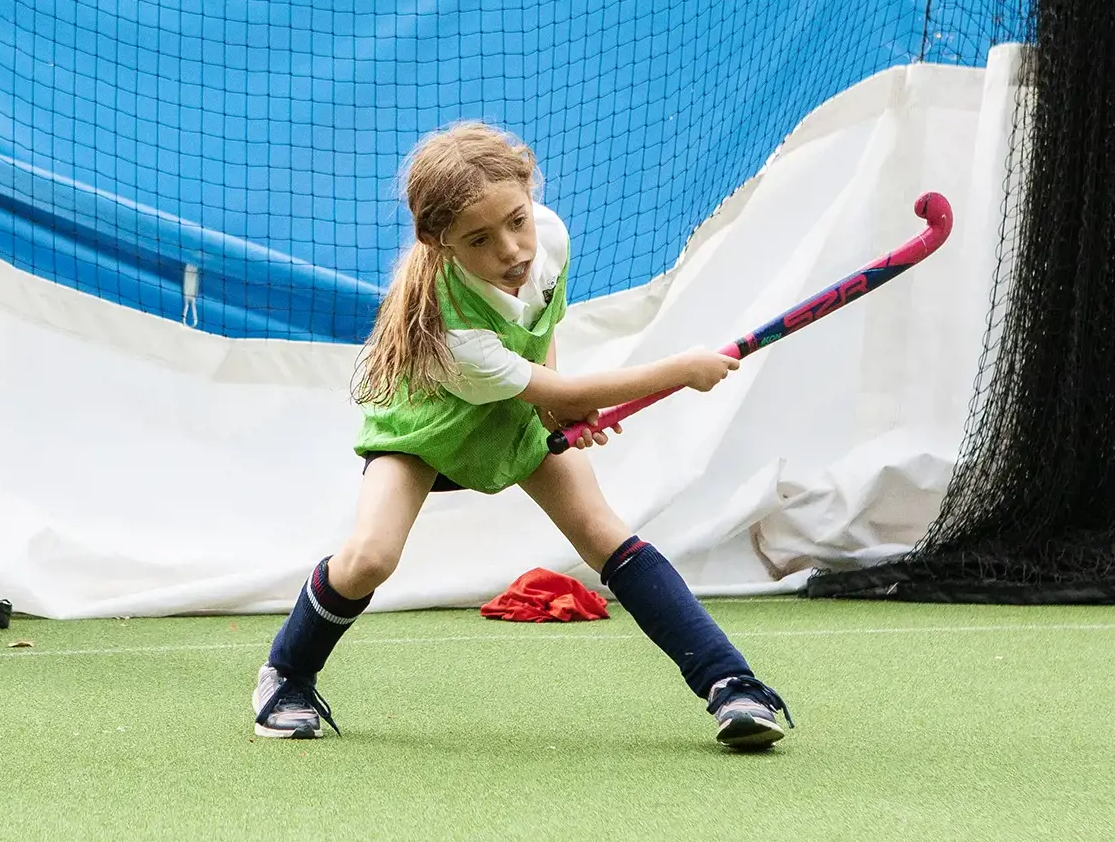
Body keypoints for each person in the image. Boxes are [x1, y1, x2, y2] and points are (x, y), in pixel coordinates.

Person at [252, 121, 792, 749]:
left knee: (603, 532)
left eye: (517, 220)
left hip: (513, 408)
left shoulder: (550, 238)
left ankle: (732, 685)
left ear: (530, 196)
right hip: (425, 426)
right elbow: (558, 393)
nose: (511, 250)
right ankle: (285, 674)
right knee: (371, 557)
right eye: (479, 240)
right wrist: (678, 371)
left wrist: (550, 411)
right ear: (440, 242)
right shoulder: (452, 328)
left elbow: (541, 333)